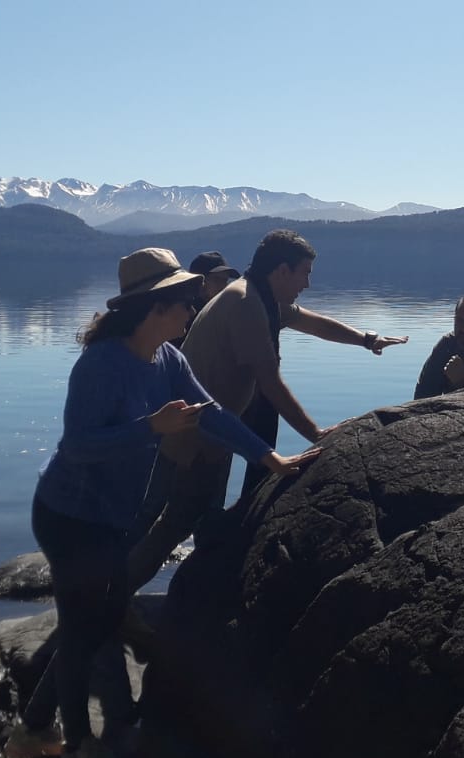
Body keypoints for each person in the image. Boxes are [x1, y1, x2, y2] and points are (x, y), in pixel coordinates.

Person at [10, 248, 317, 758]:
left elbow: (213, 415)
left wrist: (269, 459)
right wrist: (151, 427)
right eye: (184, 301)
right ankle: (77, 750)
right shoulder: (101, 363)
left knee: (94, 623)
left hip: (109, 519)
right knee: (88, 628)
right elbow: (79, 446)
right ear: (155, 307)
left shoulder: (169, 360)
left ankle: (35, 727)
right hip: (69, 516)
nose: (192, 309)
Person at [127, 229, 406, 588]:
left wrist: (366, 340)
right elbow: (270, 382)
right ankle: (114, 604)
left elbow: (310, 321)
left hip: (209, 430)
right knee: (175, 524)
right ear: (281, 271)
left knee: (187, 521)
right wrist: (315, 434)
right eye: (304, 272)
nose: (308, 282)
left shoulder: (258, 295)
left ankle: (148, 597)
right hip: (194, 437)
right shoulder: (245, 303)